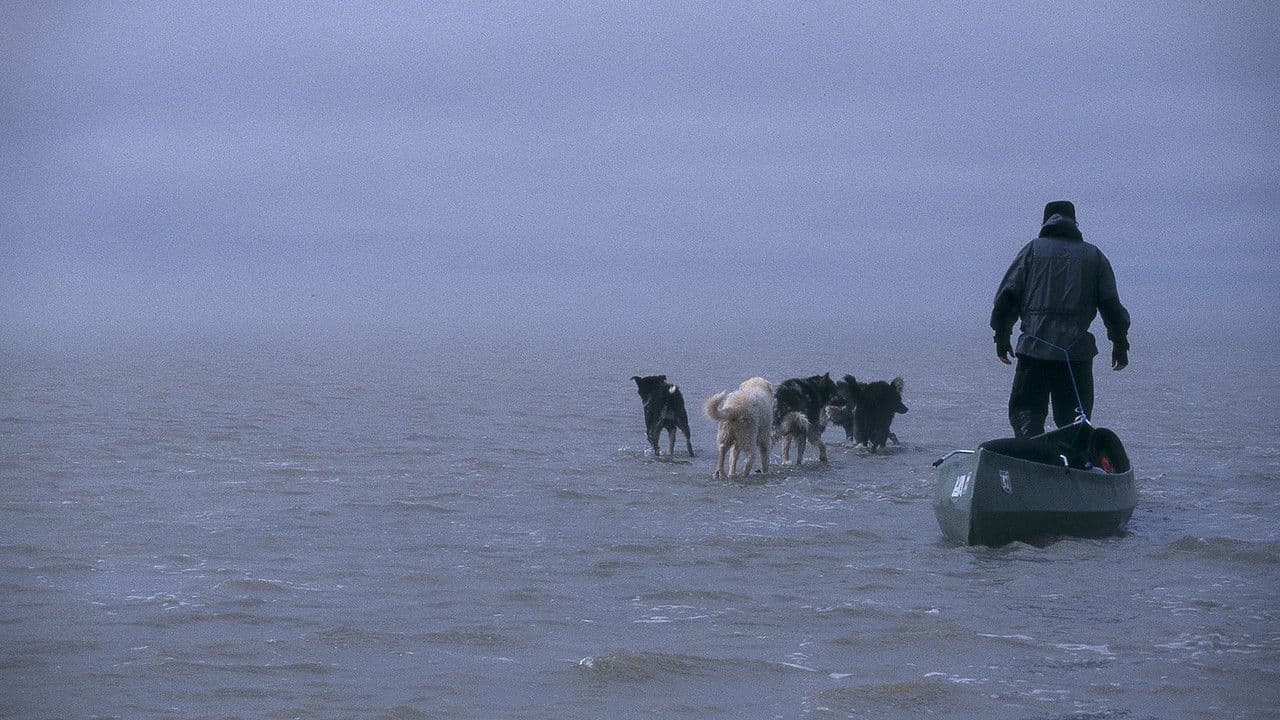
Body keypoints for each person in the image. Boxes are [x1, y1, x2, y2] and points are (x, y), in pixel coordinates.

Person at [990, 200, 1131, 438]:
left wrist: (1002, 337)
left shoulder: (1032, 251)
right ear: (1075, 222)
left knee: (1027, 416)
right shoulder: (1094, 256)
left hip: (1034, 351)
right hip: (1075, 356)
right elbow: (1110, 305)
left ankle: (1029, 461)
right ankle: (1073, 467)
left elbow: (1007, 296)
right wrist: (1120, 344)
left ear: (1045, 221)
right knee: (1074, 424)